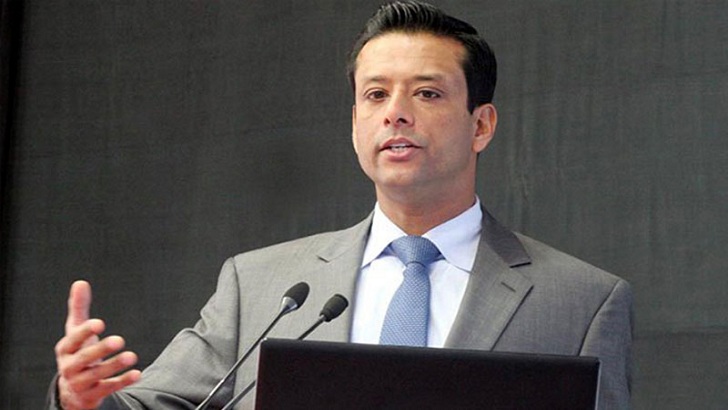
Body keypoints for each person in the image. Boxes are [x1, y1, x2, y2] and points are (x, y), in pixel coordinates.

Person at [48, 1, 633, 409]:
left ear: (481, 125)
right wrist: (81, 401)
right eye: (375, 94)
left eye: (427, 93)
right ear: (355, 123)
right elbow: (154, 405)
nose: (395, 113)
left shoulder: (581, 302)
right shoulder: (261, 286)